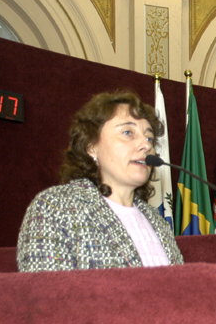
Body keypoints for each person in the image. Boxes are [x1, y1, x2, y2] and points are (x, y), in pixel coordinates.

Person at [17, 91, 183, 272]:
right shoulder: (54, 208)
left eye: (149, 137)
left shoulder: (157, 221)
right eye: (128, 132)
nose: (146, 144)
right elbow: (46, 294)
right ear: (91, 146)